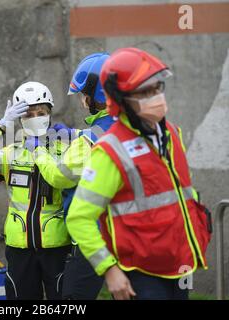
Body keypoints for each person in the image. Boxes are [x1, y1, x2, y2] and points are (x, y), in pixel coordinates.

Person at [66, 47, 212, 300]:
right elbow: (79, 218)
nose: (155, 96)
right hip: (140, 274)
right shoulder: (110, 149)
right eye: (144, 92)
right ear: (121, 100)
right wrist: (109, 270)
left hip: (179, 265)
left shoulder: (172, 136)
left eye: (157, 88)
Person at [0, 82, 71, 300]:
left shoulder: (65, 148)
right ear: (20, 120)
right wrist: (1, 126)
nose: (35, 118)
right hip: (19, 247)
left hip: (57, 246)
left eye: (40, 113)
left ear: (50, 114)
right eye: (28, 114)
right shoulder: (11, 154)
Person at [31, 53, 115, 299]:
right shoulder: (129, 126)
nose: (81, 99)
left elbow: (59, 176)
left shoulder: (87, 143)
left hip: (94, 239)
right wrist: (74, 134)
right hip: (128, 236)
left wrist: (37, 150)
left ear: (92, 96)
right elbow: (104, 131)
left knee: (71, 299)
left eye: (82, 94)